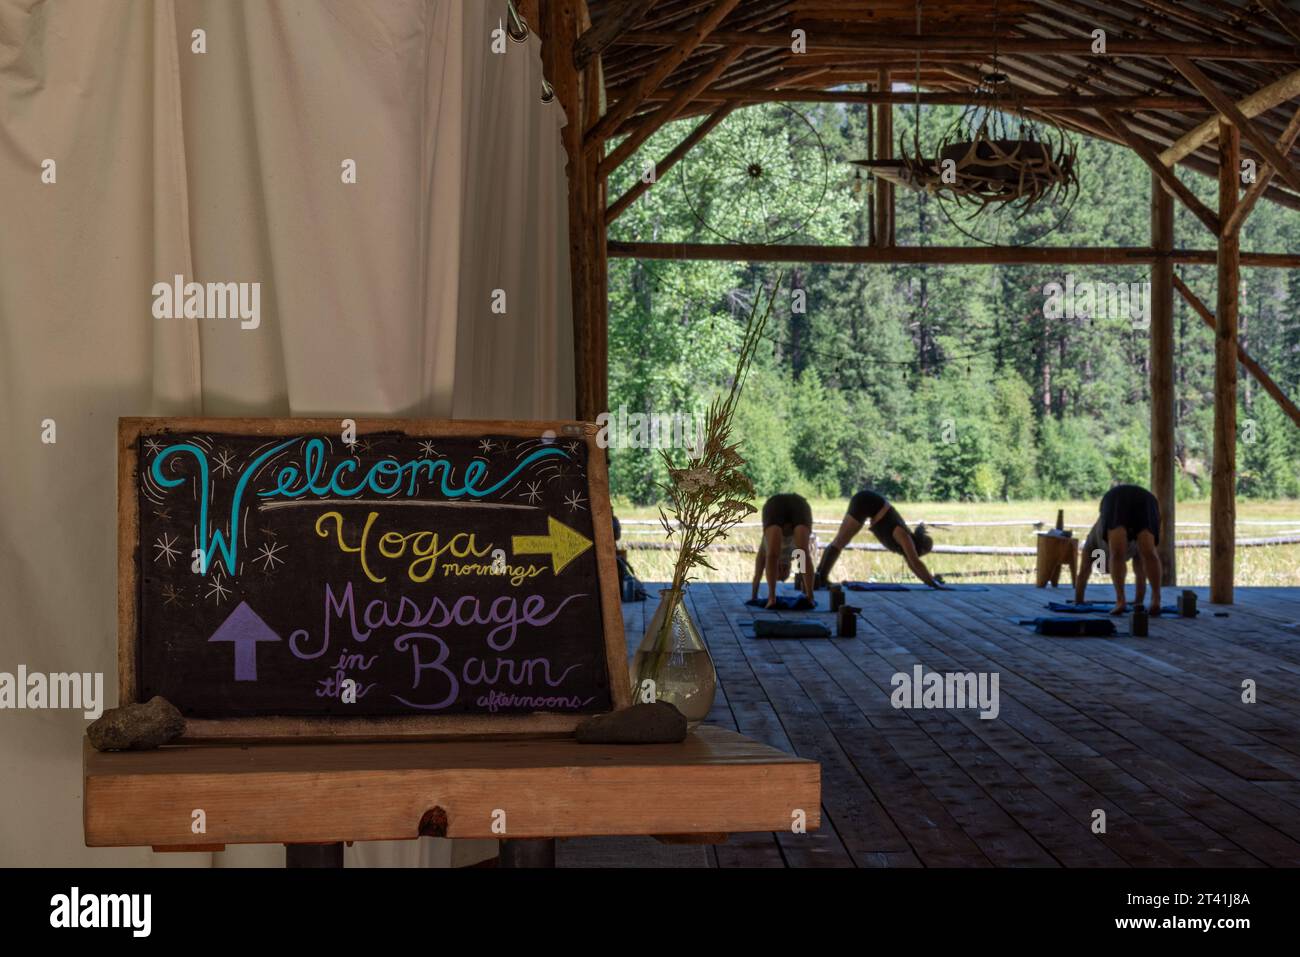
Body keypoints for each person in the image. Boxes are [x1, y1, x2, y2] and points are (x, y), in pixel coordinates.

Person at [814, 488, 940, 588]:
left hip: (868, 502)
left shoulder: (906, 542)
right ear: (919, 548)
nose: (919, 556)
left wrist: (930, 581)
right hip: (865, 501)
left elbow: (913, 565)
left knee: (840, 541)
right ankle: (821, 578)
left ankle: (819, 577)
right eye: (922, 554)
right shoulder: (904, 536)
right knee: (840, 541)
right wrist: (933, 582)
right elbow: (916, 562)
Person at [1074, 484, 1163, 615]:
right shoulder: (1132, 545)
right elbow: (1141, 574)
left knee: (1117, 554)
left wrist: (1079, 602)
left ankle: (1121, 601)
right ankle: (1156, 600)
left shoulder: (1091, 543)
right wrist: (1138, 602)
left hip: (1115, 499)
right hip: (1146, 499)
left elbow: (1082, 574)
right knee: (1149, 553)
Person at [751, 493, 816, 609]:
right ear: (790, 568)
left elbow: (758, 574)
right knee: (803, 553)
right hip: (799, 504)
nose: (781, 568)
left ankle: (772, 598)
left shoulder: (765, 548)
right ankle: (809, 597)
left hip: (775, 504)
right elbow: (803, 566)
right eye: (784, 569)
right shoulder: (796, 555)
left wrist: (754, 597)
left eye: (778, 569)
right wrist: (807, 593)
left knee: (773, 555)